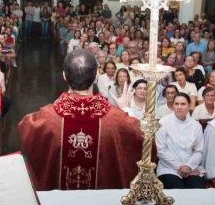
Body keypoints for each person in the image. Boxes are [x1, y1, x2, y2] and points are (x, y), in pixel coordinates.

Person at [19, 49, 144, 190]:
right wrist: (126, 109)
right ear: (96, 76)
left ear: (64, 76)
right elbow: (144, 143)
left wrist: (57, 104)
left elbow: (25, 129)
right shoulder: (118, 119)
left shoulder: (46, 118)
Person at [156, 93, 205, 189]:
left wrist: (189, 166)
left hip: (191, 168)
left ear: (189, 106)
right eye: (176, 104)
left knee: (198, 191)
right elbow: (161, 150)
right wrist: (181, 167)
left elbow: (198, 151)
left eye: (183, 104)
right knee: (178, 191)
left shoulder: (196, 126)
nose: (179, 107)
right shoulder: (163, 123)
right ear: (172, 105)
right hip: (168, 169)